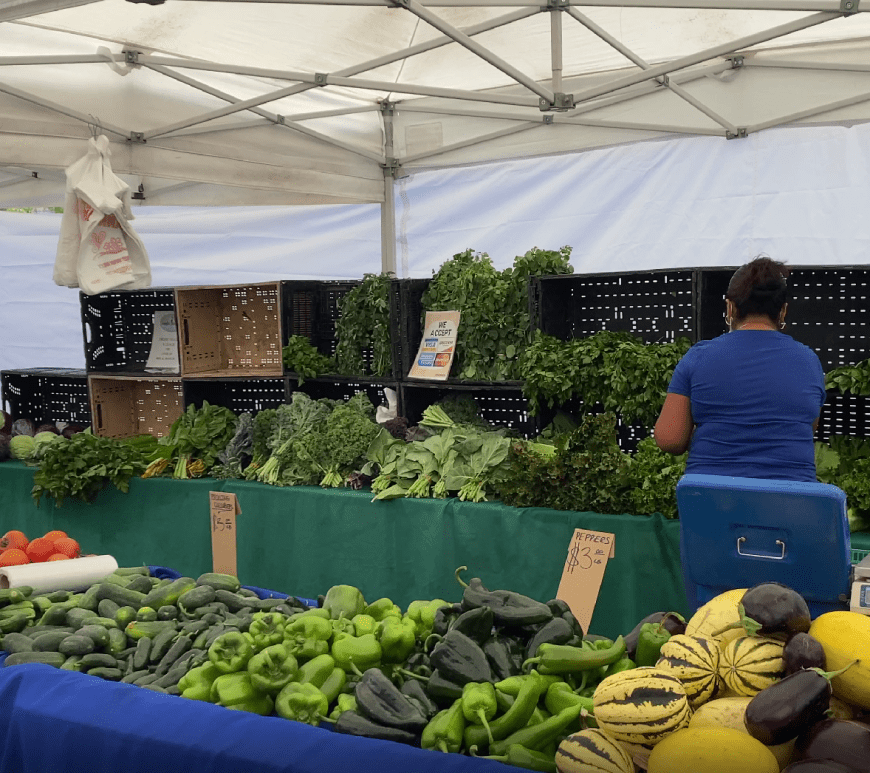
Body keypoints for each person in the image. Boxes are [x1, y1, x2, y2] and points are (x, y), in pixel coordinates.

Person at [654, 256, 826, 481]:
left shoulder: (698, 357)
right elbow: (805, 427)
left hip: (711, 496)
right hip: (788, 499)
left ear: (730, 308)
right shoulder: (809, 361)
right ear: (783, 311)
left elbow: (670, 439)